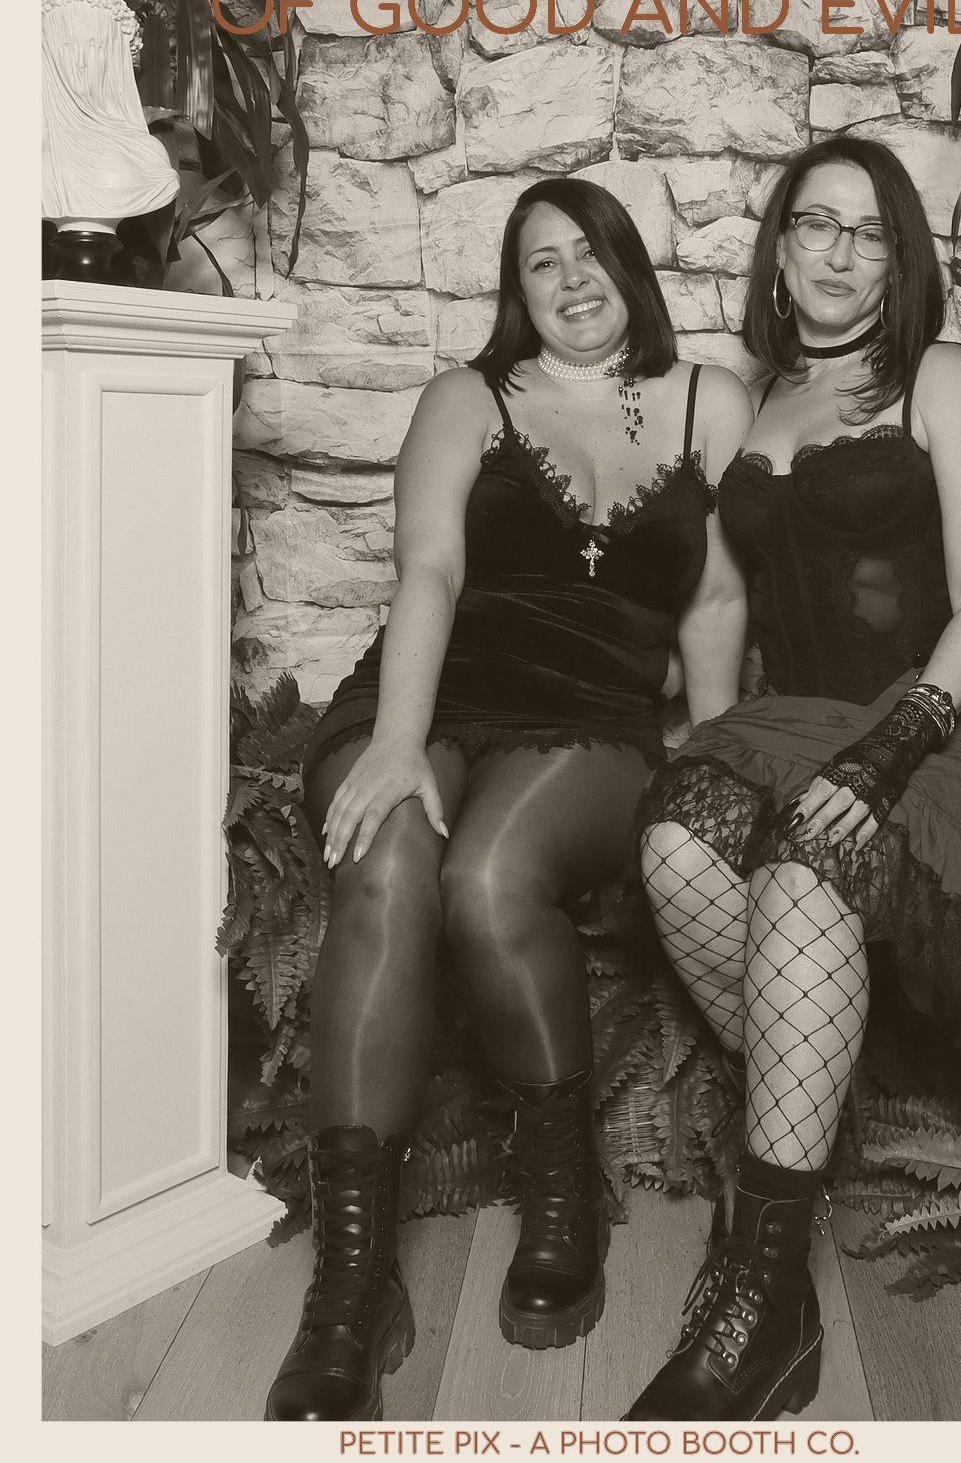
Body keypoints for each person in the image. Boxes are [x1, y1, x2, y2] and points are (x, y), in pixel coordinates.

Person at [266, 178, 751, 1421]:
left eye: (591, 252)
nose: (572, 278)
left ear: (629, 266)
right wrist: (397, 744)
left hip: (589, 716)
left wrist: (712, 757)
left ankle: (559, 1191)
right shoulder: (465, 399)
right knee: (390, 856)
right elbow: (430, 569)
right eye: (542, 261)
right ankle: (353, 1285)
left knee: (487, 879)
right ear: (515, 289)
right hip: (428, 694)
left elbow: (713, 599)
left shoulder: (710, 402)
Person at [626, 137, 961, 1422]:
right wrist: (711, 747)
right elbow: (721, 598)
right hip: (793, 719)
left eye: (867, 232)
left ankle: (761, 1297)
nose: (837, 252)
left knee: (810, 858)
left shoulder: (940, 378)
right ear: (779, 248)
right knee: (675, 843)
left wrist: (890, 751)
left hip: (942, 718)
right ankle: (805, 1142)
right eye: (815, 225)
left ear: (898, 259)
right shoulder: (756, 401)